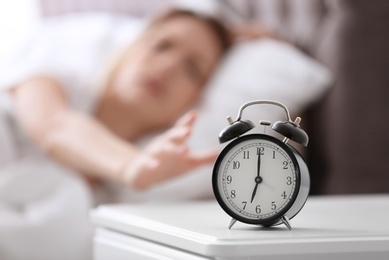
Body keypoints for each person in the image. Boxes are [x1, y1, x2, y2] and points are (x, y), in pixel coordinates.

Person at [2, 9, 231, 194]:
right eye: (162, 46)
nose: (168, 66)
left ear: (195, 99)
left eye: (192, 69)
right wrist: (131, 165)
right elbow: (53, 125)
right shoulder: (57, 77)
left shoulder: (110, 199)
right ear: (130, 49)